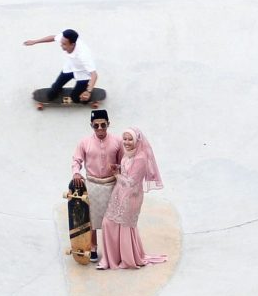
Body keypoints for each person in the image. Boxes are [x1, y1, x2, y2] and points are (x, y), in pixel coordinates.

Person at [97, 127, 167, 270]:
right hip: (119, 194)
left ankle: (127, 260)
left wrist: (116, 175)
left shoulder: (141, 157)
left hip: (132, 197)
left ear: (136, 141)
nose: (127, 142)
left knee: (124, 227)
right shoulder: (127, 154)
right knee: (108, 223)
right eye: (125, 139)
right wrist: (118, 168)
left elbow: (131, 182)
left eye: (130, 139)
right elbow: (127, 172)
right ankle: (110, 260)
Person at [71, 109, 123, 262]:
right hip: (92, 184)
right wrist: (76, 173)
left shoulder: (117, 141)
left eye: (103, 125)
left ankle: (112, 249)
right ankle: (93, 247)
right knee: (91, 220)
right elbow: (76, 160)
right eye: (96, 126)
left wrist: (120, 172)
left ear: (108, 124)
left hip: (111, 185)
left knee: (112, 219)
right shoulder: (84, 142)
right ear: (91, 125)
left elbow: (122, 162)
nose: (100, 129)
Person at [24, 29, 98, 103]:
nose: (61, 45)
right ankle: (56, 92)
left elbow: (94, 75)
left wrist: (88, 92)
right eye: (61, 43)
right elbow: (53, 37)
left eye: (64, 44)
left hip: (83, 73)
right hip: (70, 67)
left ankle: (85, 95)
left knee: (75, 98)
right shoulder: (65, 39)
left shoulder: (84, 55)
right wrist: (35, 41)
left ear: (72, 44)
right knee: (53, 91)